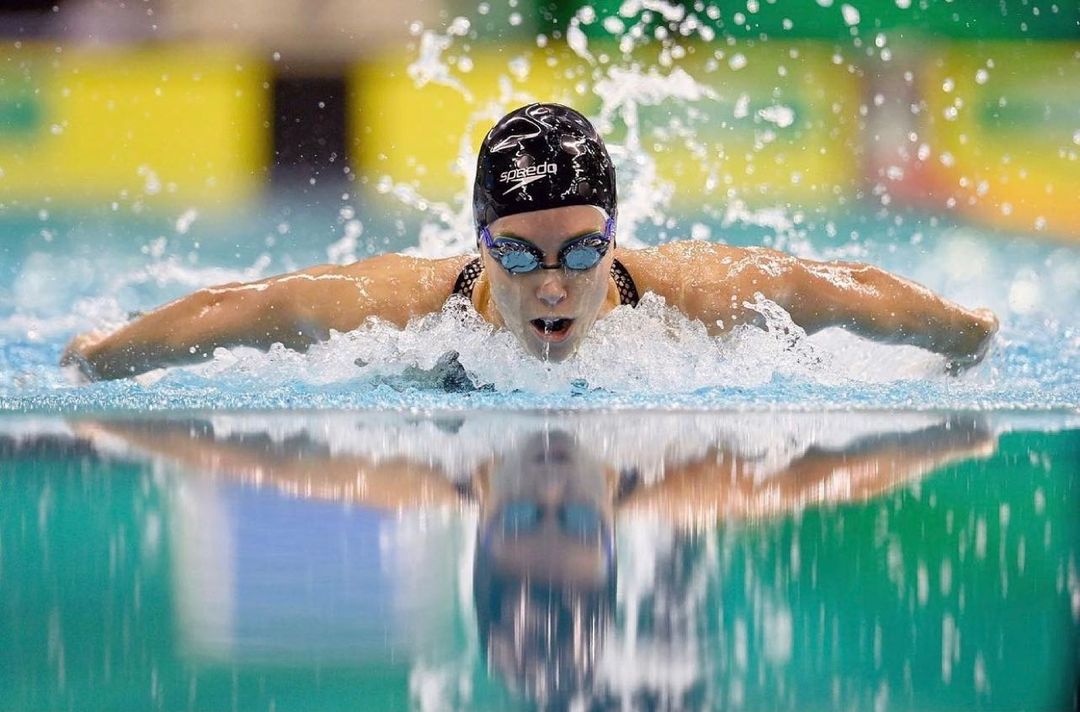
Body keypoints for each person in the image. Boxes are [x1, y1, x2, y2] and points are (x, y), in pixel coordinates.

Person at [61, 103, 999, 381]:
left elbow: (835, 289)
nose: (553, 285)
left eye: (582, 253)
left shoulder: (686, 295)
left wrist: (963, 333)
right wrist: (102, 358)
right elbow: (242, 311)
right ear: (480, 243)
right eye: (519, 256)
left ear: (614, 240)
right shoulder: (398, 310)